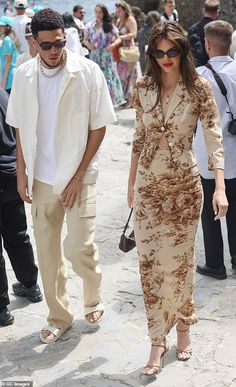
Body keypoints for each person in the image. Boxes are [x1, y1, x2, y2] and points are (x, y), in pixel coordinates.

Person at [6, 8, 116, 344]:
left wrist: (78, 176)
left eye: (59, 42)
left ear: (65, 37)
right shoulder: (24, 76)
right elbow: (22, 127)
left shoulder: (88, 71)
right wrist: (22, 172)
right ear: (34, 43)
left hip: (79, 176)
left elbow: (99, 126)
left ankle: (93, 296)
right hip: (41, 178)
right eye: (47, 45)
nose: (54, 51)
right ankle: (59, 316)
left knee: (79, 247)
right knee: (48, 252)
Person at [127, 21, 228, 377]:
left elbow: (215, 138)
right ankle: (158, 339)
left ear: (184, 51)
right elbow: (139, 138)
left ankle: (183, 325)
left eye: (173, 51)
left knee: (181, 264)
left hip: (185, 188)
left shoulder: (199, 88)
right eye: (159, 52)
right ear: (151, 53)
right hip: (148, 187)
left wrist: (219, 187)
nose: (166, 58)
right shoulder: (142, 88)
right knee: (150, 266)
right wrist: (130, 185)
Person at [193, 21, 236, 279]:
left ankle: (215, 264)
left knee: (209, 210)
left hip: (209, 152)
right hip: (235, 149)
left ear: (208, 44)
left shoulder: (200, 76)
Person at [0, 88, 42, 327]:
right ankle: (30, 285)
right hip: (11, 176)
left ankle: (2, 309)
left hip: (6, 174)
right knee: (18, 235)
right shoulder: (5, 96)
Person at [84, 4, 125, 107]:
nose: (98, 14)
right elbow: (85, 39)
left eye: (100, 12)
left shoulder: (109, 25)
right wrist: (88, 45)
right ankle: (96, 102)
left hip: (107, 56)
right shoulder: (89, 25)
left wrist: (113, 45)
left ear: (104, 13)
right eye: (96, 12)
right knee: (95, 78)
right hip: (95, 55)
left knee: (109, 77)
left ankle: (109, 102)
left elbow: (119, 38)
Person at [115, 1, 138, 108]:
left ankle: (131, 100)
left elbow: (134, 34)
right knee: (121, 75)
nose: (117, 12)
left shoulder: (130, 19)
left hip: (129, 51)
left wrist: (121, 37)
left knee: (130, 75)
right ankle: (125, 98)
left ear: (125, 10)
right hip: (121, 51)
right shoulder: (119, 20)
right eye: (117, 10)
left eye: (119, 10)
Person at [188, 0, 220, 67]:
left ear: (203, 10)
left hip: (197, 70)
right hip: (217, 70)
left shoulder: (193, 29)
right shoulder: (220, 30)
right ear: (217, 13)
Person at [0, 16, 19, 93]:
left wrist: (4, 80)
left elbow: (8, 61)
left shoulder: (7, 40)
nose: (0, 28)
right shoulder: (9, 38)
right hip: (11, 74)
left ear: (8, 27)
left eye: (2, 26)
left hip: (9, 76)